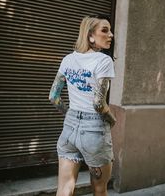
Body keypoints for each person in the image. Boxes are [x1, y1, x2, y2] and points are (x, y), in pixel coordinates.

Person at [49, 14, 116, 196]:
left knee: (64, 189)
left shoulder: (68, 60)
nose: (111, 35)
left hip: (69, 129)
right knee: (100, 189)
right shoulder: (104, 61)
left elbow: (53, 97)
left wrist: (71, 115)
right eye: (105, 30)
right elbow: (98, 104)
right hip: (94, 130)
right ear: (90, 35)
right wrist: (112, 119)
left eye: (110, 30)